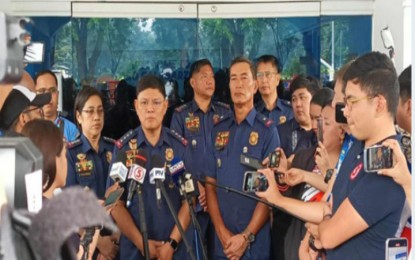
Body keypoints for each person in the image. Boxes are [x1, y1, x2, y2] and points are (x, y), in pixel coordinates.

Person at [257, 52, 407, 259]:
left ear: (379, 104)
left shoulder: (388, 167)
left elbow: (328, 234)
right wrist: (321, 227)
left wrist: (323, 226)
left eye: (351, 102)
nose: (345, 111)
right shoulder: (357, 148)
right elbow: (328, 205)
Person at [107, 75, 194, 260]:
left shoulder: (177, 148)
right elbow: (115, 204)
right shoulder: (123, 150)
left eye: (156, 102)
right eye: (145, 103)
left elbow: (189, 201)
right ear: (136, 106)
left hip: (174, 252)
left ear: (165, 106)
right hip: (135, 251)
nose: (150, 109)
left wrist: (171, 244)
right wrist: (141, 243)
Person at [205, 57, 280, 259]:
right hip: (223, 243)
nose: (238, 84)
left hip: (254, 245)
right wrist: (221, 232)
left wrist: (246, 237)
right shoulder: (217, 129)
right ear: (228, 85)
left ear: (255, 85)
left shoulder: (267, 131)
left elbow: (269, 193)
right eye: (234, 79)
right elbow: (210, 185)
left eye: (244, 78)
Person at [170, 58, 231, 255]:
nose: (210, 81)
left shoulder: (225, 113)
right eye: (204, 77)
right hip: (194, 203)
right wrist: (198, 188)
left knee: (223, 251)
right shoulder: (180, 116)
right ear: (192, 83)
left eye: (212, 76)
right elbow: (174, 161)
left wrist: (213, 189)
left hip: (222, 200)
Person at [66, 86, 118, 260]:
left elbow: (123, 198)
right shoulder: (70, 154)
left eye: (100, 111)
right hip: (87, 243)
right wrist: (100, 245)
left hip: (117, 239)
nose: (96, 117)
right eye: (89, 112)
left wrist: (116, 240)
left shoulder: (115, 149)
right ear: (79, 117)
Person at [277, 75, 321, 159]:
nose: (298, 104)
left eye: (302, 98)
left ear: (315, 99)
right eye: (294, 99)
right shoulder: (280, 133)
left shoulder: (325, 131)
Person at [34, 70, 80, 142]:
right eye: (42, 91)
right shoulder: (28, 129)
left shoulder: (71, 130)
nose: (48, 96)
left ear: (58, 95)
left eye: (52, 90)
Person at [255, 54, 293, 125]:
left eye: (268, 74)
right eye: (259, 75)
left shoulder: (290, 111)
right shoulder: (253, 113)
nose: (264, 80)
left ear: (277, 79)